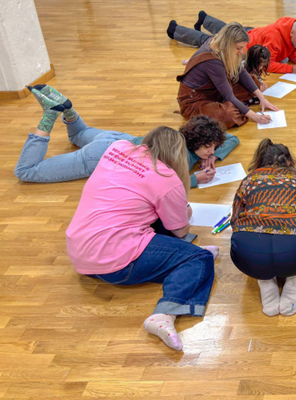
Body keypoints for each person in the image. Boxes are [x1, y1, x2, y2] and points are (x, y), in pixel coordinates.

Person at [65, 127, 219, 351]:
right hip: (115, 263)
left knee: (153, 214)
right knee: (200, 259)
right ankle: (165, 314)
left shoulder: (118, 148)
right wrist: (185, 215)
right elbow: (180, 231)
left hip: (80, 252)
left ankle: (178, 258)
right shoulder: (167, 178)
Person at [15, 86, 238, 188]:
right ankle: (50, 116)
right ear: (196, 143)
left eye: (214, 147)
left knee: (79, 134)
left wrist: (212, 156)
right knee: (26, 172)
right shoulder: (180, 159)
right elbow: (162, 183)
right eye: (208, 148)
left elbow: (232, 139)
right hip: (103, 156)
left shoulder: (185, 136)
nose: (212, 150)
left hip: (115, 138)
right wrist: (195, 180)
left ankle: (67, 109)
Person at [230, 139, 296, 317]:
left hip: (249, 258)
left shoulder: (248, 180)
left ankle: (264, 280)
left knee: (250, 242)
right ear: (289, 162)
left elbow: (235, 221)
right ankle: (295, 278)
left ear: (260, 161)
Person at [176, 23, 277, 129]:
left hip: (215, 92)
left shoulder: (220, 44)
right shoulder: (212, 60)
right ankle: (233, 106)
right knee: (229, 115)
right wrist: (256, 117)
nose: (243, 51)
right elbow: (228, 96)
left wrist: (262, 98)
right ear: (228, 44)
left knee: (253, 81)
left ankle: (234, 105)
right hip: (195, 101)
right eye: (239, 48)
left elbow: (241, 72)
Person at [168, 11, 296, 74]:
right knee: (208, 41)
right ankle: (175, 30)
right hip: (244, 45)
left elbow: (292, 50)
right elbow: (267, 65)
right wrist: (291, 69)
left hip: (253, 34)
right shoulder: (275, 38)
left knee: (227, 29)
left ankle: (205, 19)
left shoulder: (293, 29)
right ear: (292, 33)